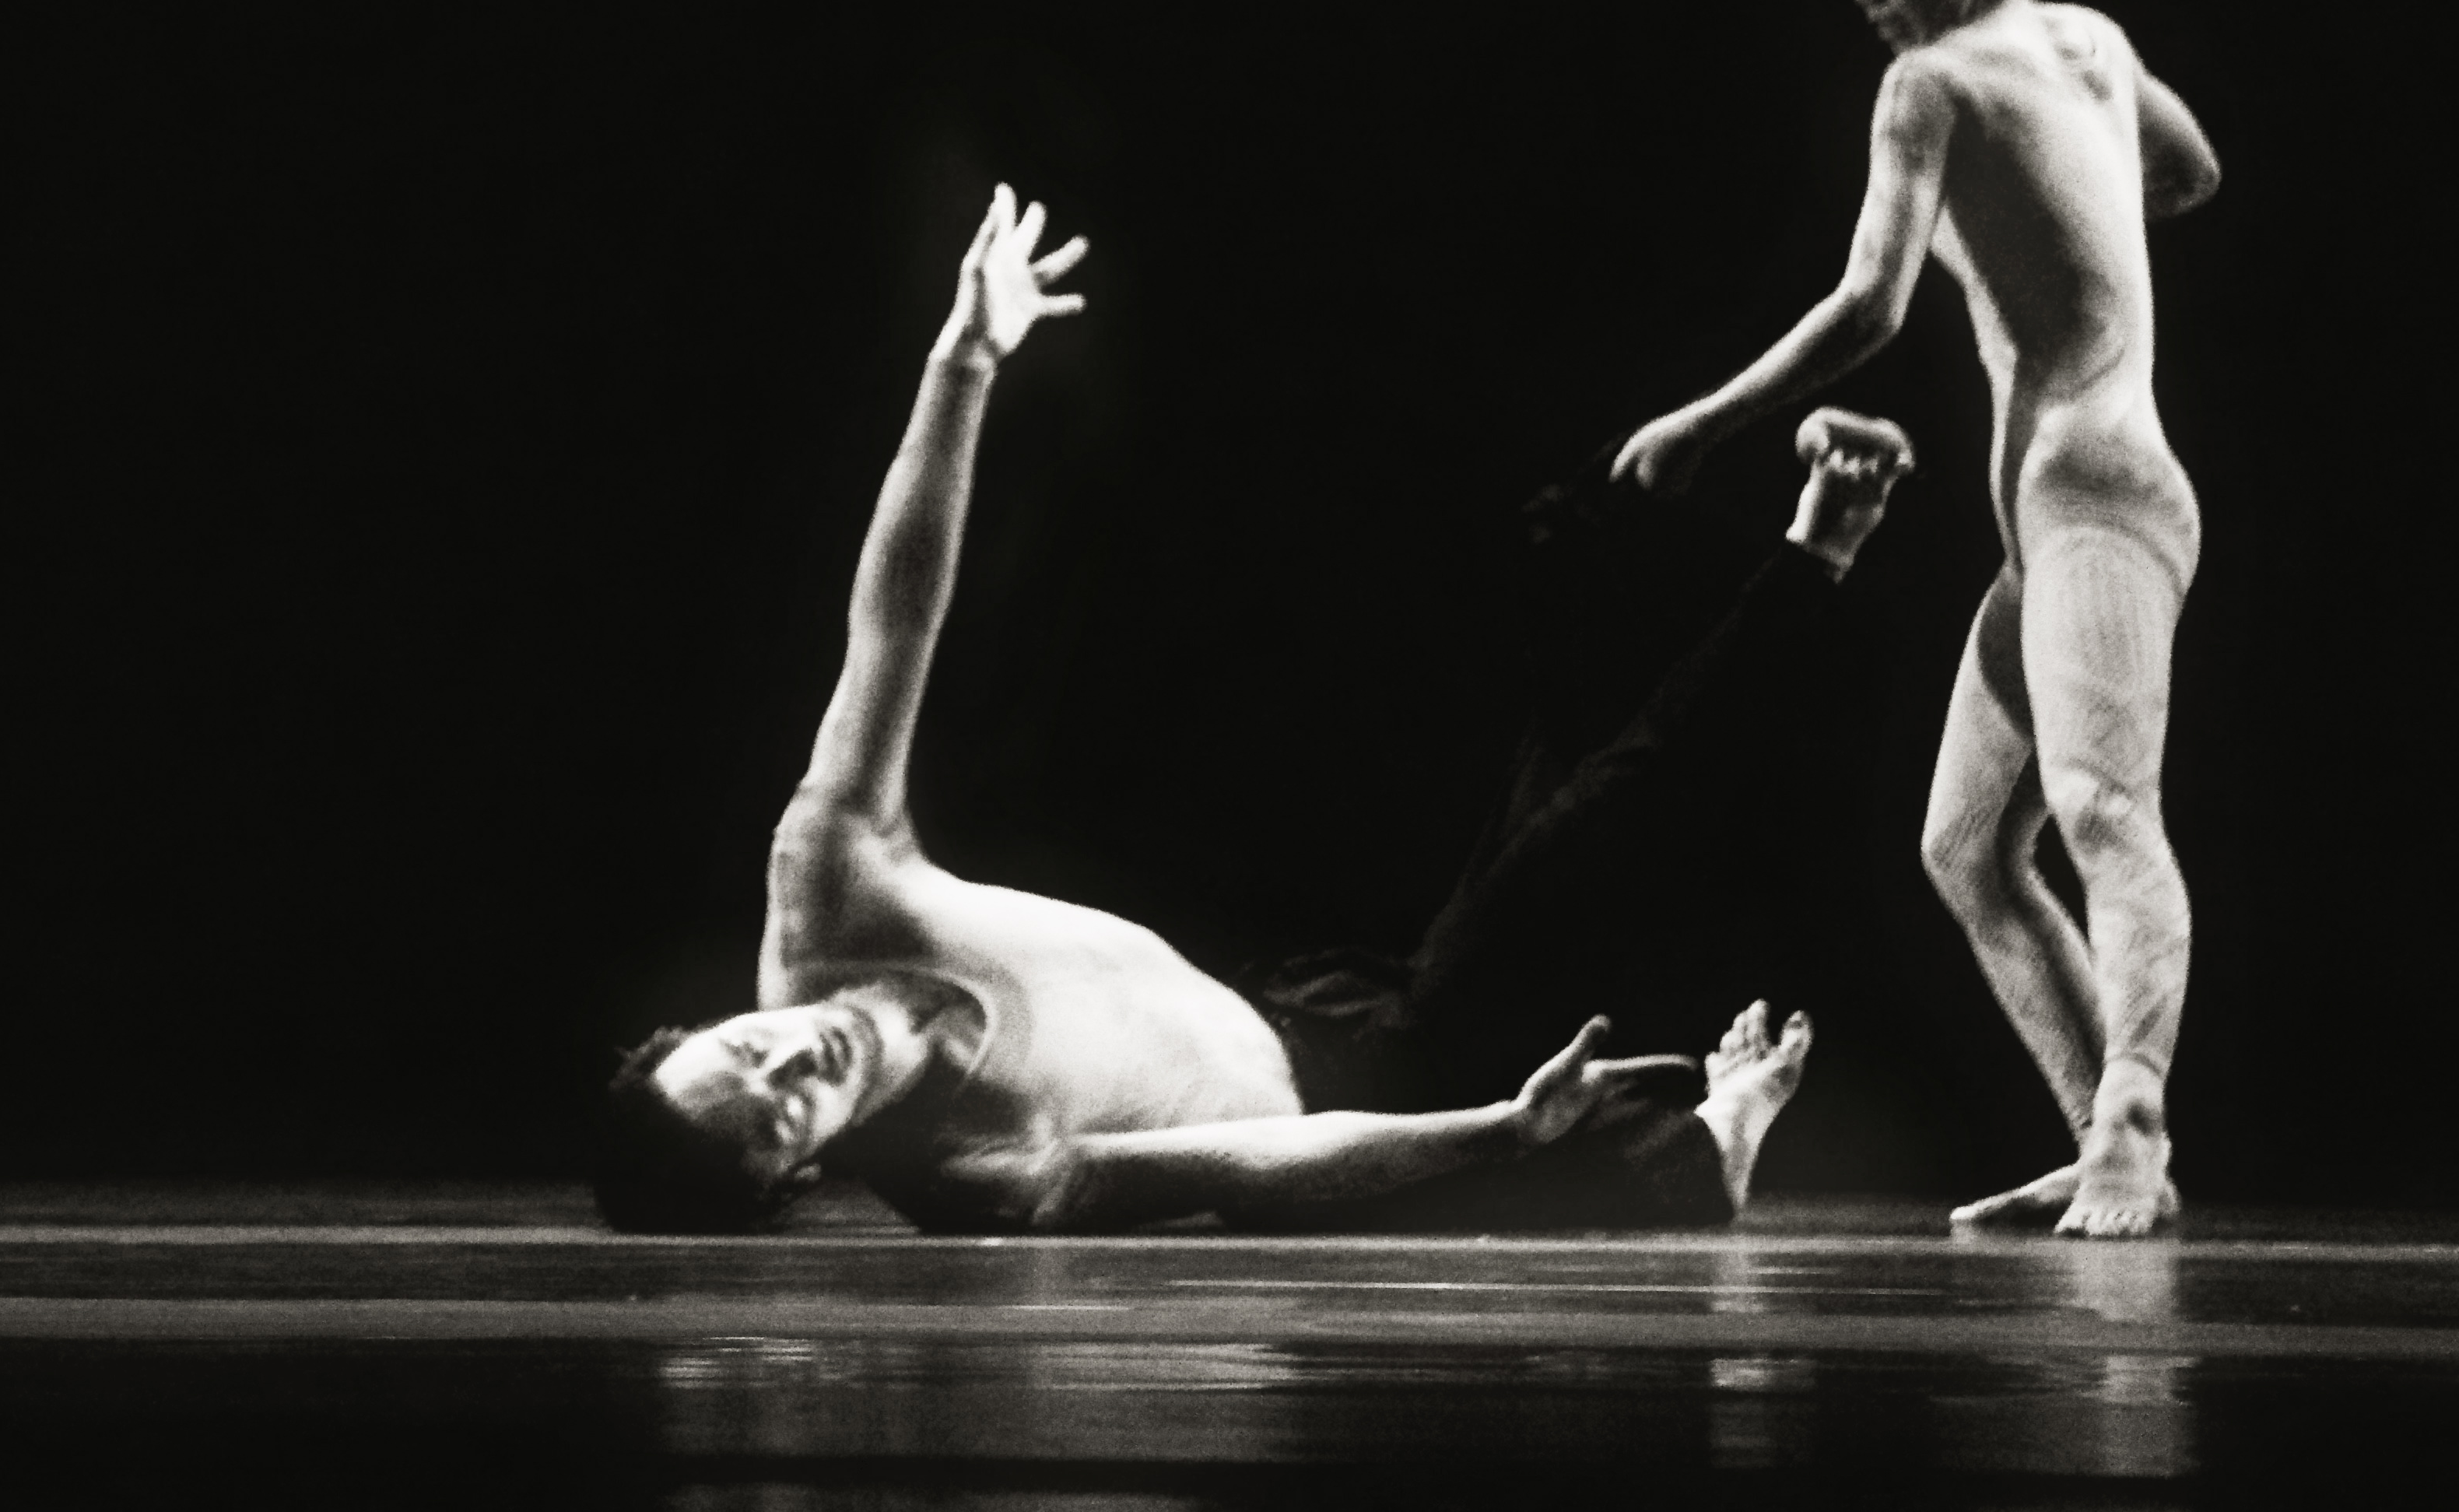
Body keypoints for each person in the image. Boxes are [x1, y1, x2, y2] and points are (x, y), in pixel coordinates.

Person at [595, 188, 1856, 1237]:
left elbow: (895, 621)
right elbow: (1244, 1166)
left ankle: (1681, 1144)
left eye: (745, 1050)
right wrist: (1497, 1131)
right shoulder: (971, 1173)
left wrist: (963, 361)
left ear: (708, 1023)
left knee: (1544, 766)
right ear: (803, 1169)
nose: (793, 1062)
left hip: (1294, 995)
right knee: (1592, 838)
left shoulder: (829, 884)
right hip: (1343, 1112)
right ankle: (1818, 558)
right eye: (783, 1112)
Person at [1606, 0, 2217, 1237]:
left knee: (2105, 811)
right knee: (1967, 848)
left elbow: (1868, 307)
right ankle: (2099, 1124)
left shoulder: (1927, 85)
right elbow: (2187, 173)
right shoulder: (2089, 44)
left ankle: (2134, 1129)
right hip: (2061, 518)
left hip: (2096, 500)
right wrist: (2060, 223)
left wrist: (1701, 424)